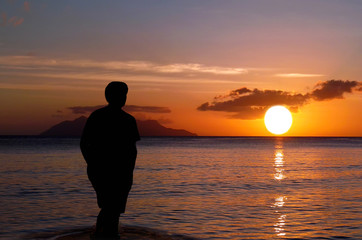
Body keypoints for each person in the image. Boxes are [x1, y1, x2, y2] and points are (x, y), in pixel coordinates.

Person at [80, 81, 140, 239]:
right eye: (120, 94)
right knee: (110, 206)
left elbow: (131, 149)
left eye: (124, 94)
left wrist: (129, 171)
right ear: (109, 96)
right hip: (103, 170)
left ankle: (105, 234)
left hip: (122, 171)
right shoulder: (99, 117)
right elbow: (84, 144)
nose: (123, 98)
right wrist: (93, 164)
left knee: (113, 207)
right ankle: (106, 235)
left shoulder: (128, 120)